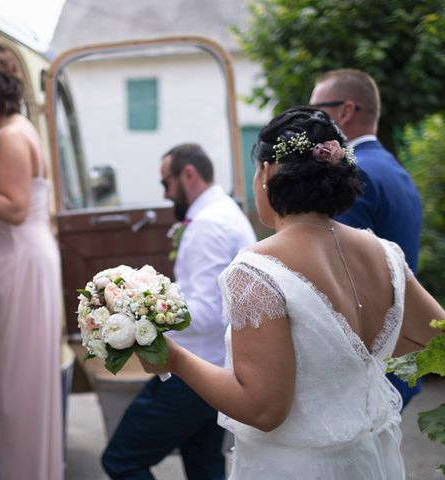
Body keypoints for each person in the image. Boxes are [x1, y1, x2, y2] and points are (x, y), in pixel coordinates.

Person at [138, 107, 444, 480]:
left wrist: (175, 359)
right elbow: (435, 338)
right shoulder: (384, 253)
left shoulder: (255, 269)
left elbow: (264, 410)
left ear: (267, 173)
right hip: (371, 461)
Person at [101, 143, 257, 479]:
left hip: (193, 373)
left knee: (121, 460)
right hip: (215, 364)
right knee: (205, 467)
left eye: (165, 183)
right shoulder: (221, 213)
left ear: (188, 174)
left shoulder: (209, 224)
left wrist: (133, 312)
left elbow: (206, 311)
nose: (166, 194)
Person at [0, 51, 63, 480]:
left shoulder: (10, 138)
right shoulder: (14, 132)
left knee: (14, 389)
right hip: (20, 260)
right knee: (17, 383)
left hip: (18, 261)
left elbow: (15, 207)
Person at [309, 68, 423, 407]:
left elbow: (344, 279)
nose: (312, 121)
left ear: (345, 110)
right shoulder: (392, 167)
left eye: (318, 111)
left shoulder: (354, 173)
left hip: (369, 370)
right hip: (398, 353)